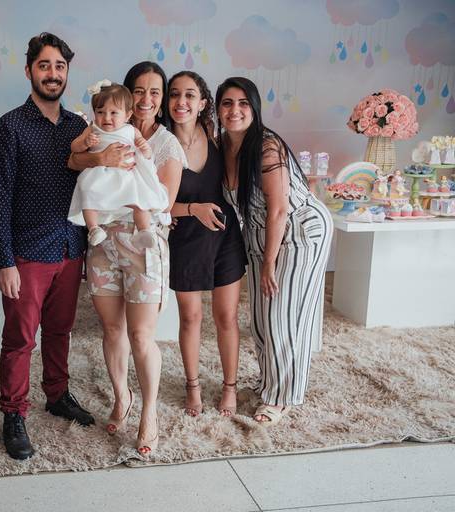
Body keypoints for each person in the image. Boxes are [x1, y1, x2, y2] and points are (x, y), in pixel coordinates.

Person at [0, 32, 96, 461]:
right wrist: (5, 261)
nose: (53, 74)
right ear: (29, 70)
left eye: (60, 66)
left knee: (59, 330)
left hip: (70, 247)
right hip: (27, 253)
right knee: (19, 339)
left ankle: (57, 394)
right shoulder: (9, 127)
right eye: (45, 65)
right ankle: (14, 413)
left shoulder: (79, 128)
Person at [69, 61, 183, 456]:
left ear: (160, 99)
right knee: (112, 328)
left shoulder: (165, 143)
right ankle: (122, 395)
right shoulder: (103, 130)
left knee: (140, 335)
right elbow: (73, 161)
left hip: (143, 242)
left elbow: (163, 203)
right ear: (127, 96)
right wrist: (102, 158)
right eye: (140, 90)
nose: (147, 98)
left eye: (155, 92)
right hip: (102, 241)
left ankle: (149, 413)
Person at [216, 77, 333, 425]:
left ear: (254, 108)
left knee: (282, 317)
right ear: (218, 109)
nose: (235, 110)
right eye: (227, 103)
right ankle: (269, 382)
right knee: (260, 319)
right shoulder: (222, 145)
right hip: (258, 233)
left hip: (298, 232)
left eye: (243, 103)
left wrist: (269, 263)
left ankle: (282, 397)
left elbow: (279, 209)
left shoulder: (267, 146)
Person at [166, 71, 247, 417]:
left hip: (224, 236)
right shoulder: (160, 143)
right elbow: (153, 204)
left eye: (189, 95)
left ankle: (230, 386)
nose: (181, 102)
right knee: (191, 317)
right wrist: (190, 209)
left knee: (227, 315)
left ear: (202, 103)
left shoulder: (216, 136)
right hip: (185, 240)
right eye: (174, 94)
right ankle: (193, 385)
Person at [67, 80, 168, 249]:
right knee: (87, 192)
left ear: (127, 115)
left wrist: (144, 148)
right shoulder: (92, 128)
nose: (106, 118)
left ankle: (143, 231)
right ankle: (94, 228)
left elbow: (146, 153)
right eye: (100, 112)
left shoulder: (131, 130)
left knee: (140, 202)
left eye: (113, 112)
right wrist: (85, 142)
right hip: (99, 174)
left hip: (126, 175)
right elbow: (74, 147)